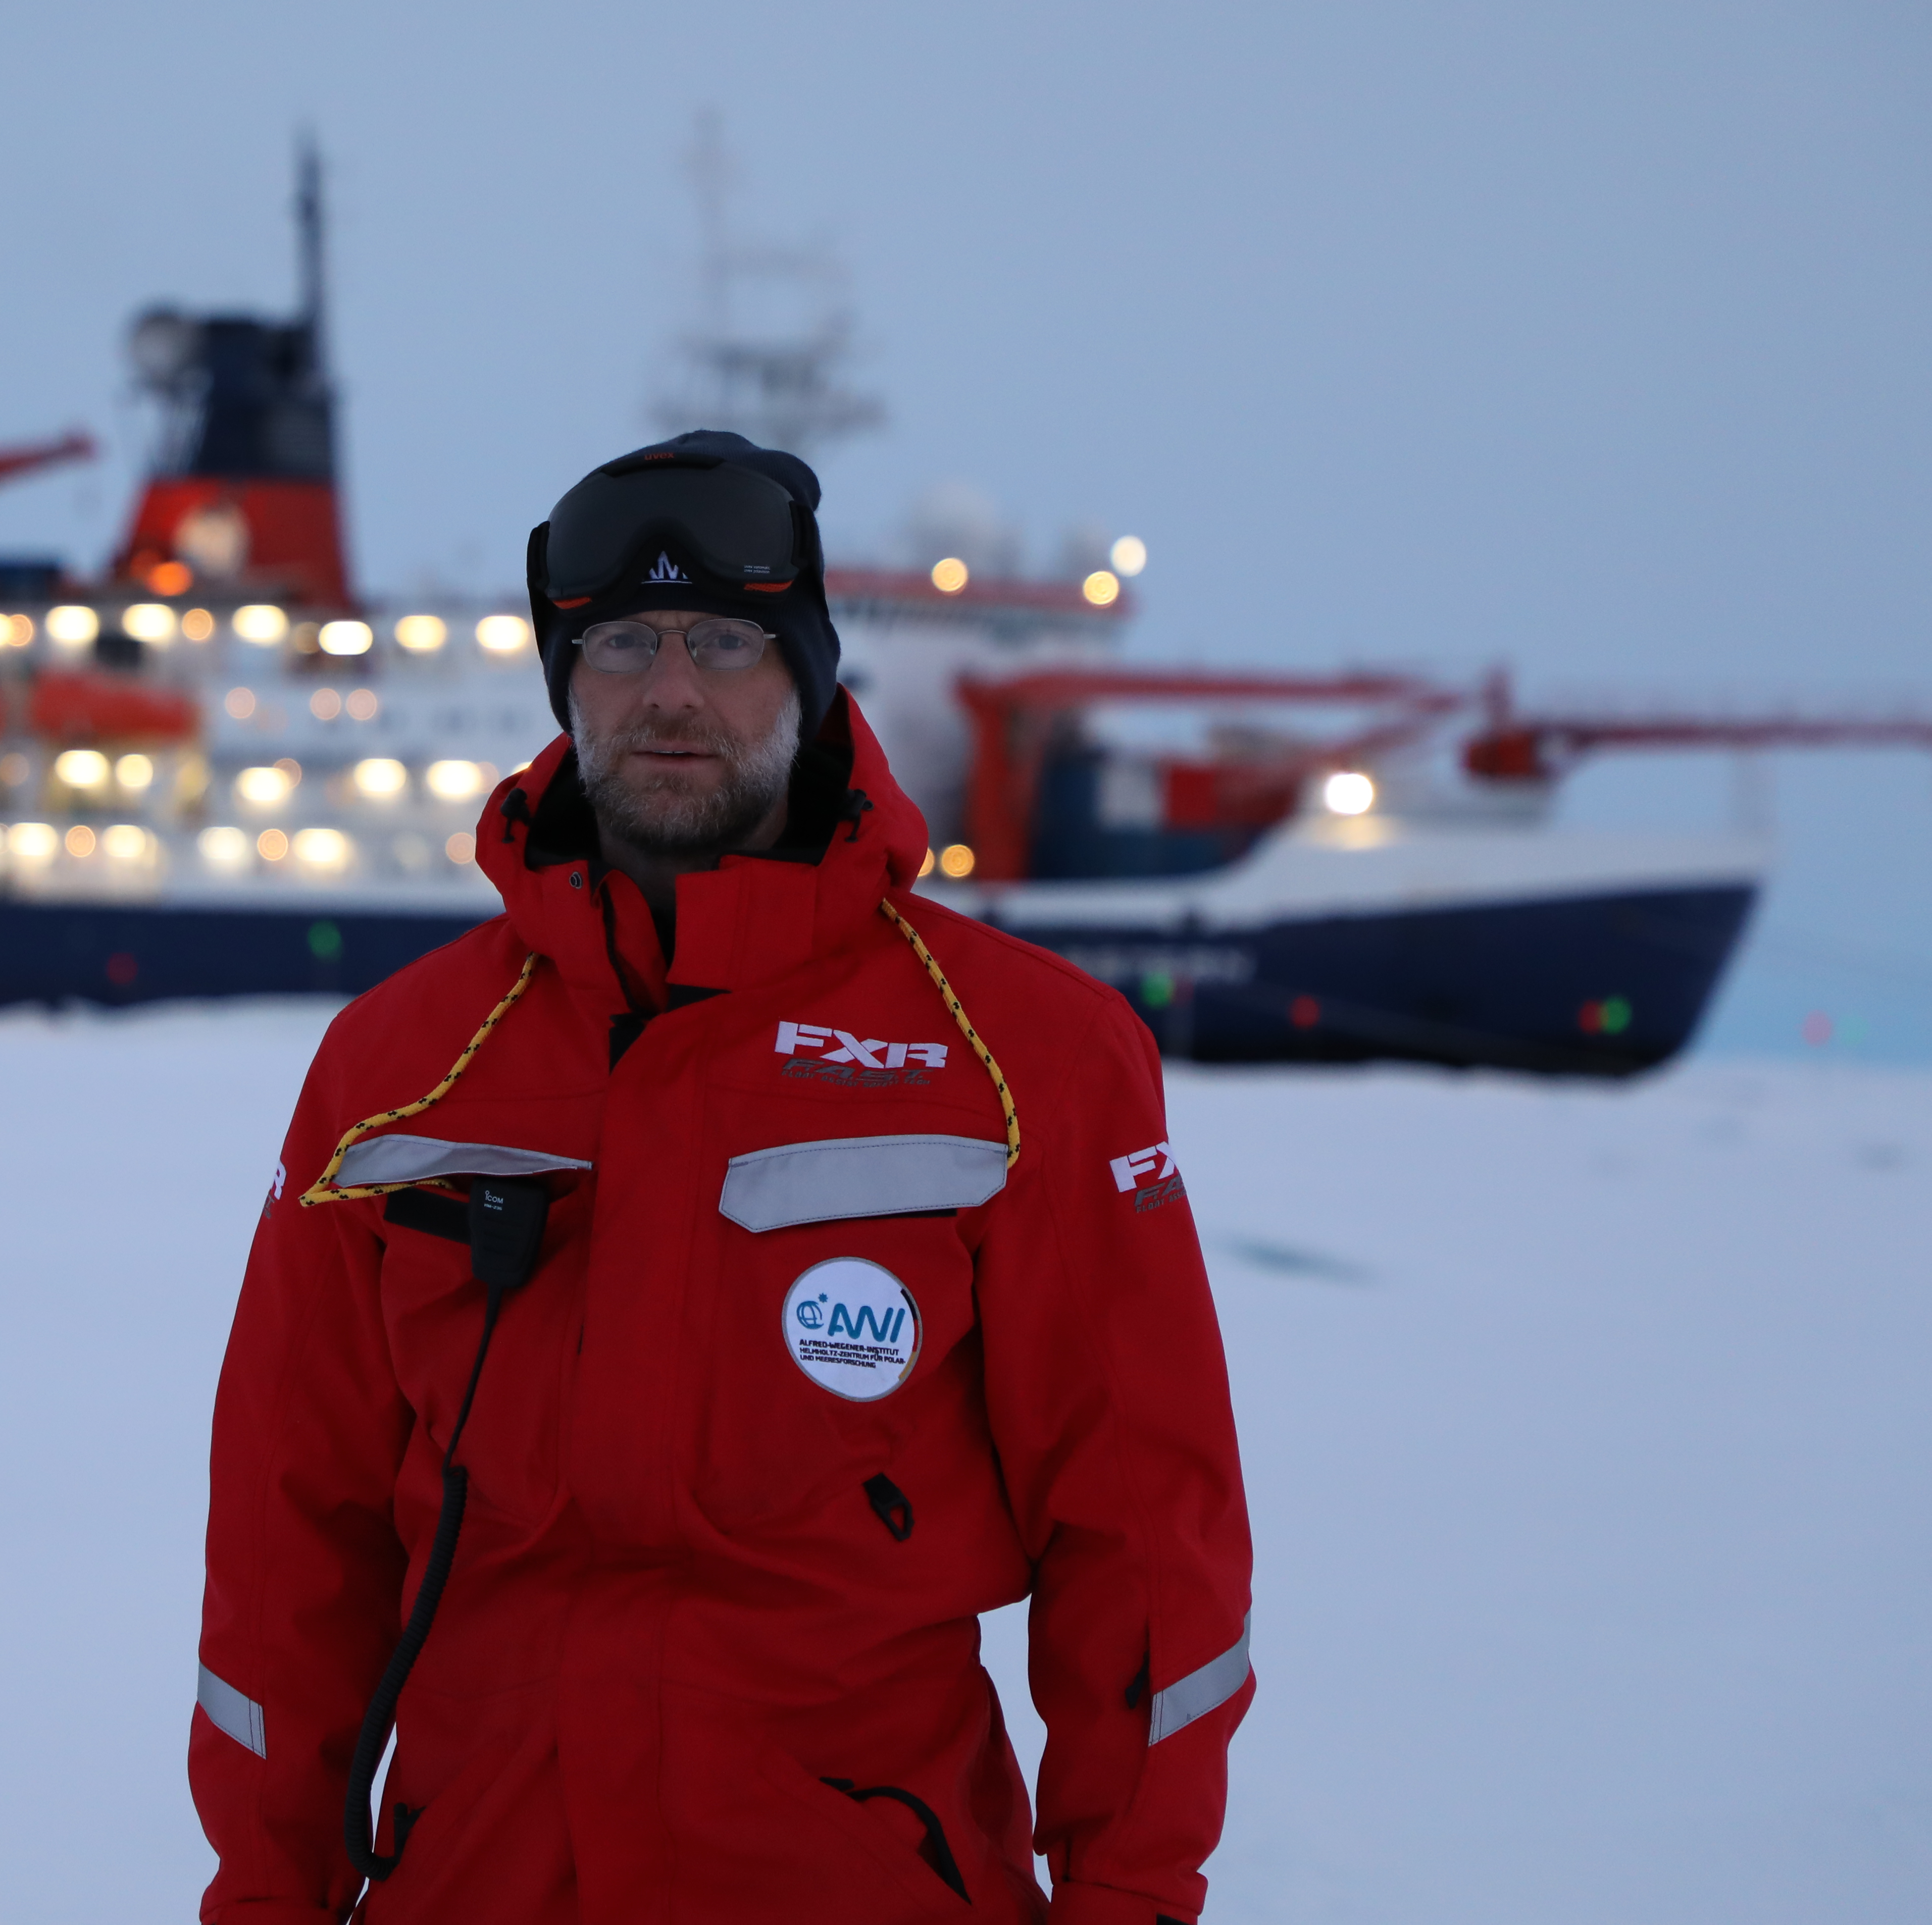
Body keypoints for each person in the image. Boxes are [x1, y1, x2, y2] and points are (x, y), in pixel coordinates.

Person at [189, 432, 1252, 1924]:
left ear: (809, 673)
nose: (670, 692)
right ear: (565, 678)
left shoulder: (1026, 1058)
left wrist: (1130, 1902)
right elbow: (287, 1550)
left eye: (727, 640)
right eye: (619, 642)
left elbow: (1146, 1548)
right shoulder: (400, 1065)